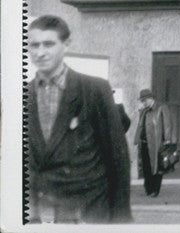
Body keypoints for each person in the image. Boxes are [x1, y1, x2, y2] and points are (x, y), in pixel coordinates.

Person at [26, 15, 132, 223]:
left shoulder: (94, 90)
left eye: (49, 44)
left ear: (66, 45)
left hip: (86, 212)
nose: (40, 53)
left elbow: (117, 158)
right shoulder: (21, 95)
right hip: (38, 215)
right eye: (34, 45)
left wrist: (121, 219)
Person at [134, 87, 174, 198]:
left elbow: (167, 125)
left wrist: (167, 140)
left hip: (157, 143)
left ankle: (155, 190)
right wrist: (137, 139)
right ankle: (148, 189)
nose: (143, 102)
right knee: (146, 166)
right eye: (142, 101)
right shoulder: (144, 110)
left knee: (157, 166)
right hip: (145, 142)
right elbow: (141, 125)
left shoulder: (161, 107)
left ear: (150, 99)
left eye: (144, 100)